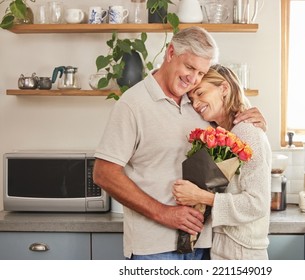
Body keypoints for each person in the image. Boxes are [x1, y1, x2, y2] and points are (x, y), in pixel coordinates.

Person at [93, 26, 267, 260]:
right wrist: (164, 213)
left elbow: (235, 139)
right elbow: (104, 174)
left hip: (204, 246)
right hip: (154, 249)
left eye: (200, 73)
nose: (193, 79)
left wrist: (255, 121)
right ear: (171, 53)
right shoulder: (132, 105)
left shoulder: (199, 102)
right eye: (189, 67)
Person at [172, 64, 272, 260]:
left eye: (200, 93)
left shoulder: (247, 131)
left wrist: (201, 197)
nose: (195, 103)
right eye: (191, 99)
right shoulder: (226, 133)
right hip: (226, 244)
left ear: (224, 88)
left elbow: (257, 204)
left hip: (242, 251)